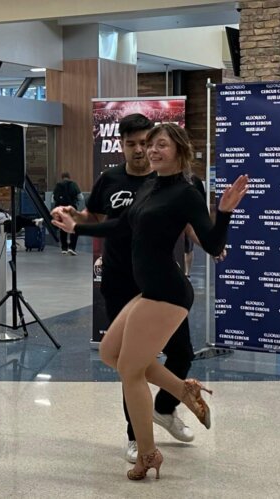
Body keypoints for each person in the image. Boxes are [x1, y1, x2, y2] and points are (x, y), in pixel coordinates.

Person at [53, 123, 248, 481]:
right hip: (150, 291)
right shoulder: (148, 187)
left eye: (161, 145)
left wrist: (225, 212)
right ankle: (181, 388)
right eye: (148, 145)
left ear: (179, 151)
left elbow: (214, 245)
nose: (151, 150)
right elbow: (118, 227)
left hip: (169, 293)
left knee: (130, 370)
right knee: (111, 353)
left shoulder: (186, 193)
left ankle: (147, 453)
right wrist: (75, 228)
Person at [52, 114, 198, 464]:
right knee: (130, 363)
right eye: (130, 143)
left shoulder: (164, 180)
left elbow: (190, 220)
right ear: (121, 144)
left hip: (162, 281)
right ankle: (135, 435)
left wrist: (208, 237)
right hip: (120, 281)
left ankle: (165, 409)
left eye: (145, 142)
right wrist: (74, 217)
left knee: (182, 353)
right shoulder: (109, 180)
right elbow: (97, 219)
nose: (138, 150)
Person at [53, 172, 81, 255]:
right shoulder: (73, 184)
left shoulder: (58, 185)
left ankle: (64, 248)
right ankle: (72, 248)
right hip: (71, 209)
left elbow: (53, 198)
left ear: (62, 177)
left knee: (62, 229)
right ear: (69, 177)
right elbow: (80, 197)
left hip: (61, 210)